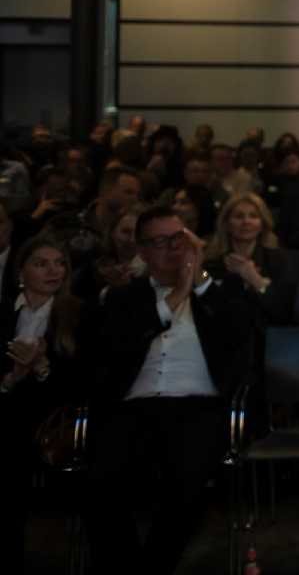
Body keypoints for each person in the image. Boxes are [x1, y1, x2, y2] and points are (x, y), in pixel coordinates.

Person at [86, 206, 252, 574]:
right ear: (142, 251)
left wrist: (199, 283)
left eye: (179, 237)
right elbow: (115, 345)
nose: (174, 247)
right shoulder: (125, 296)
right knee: (100, 477)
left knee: (190, 474)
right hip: (135, 408)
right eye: (161, 242)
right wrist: (175, 297)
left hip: (198, 407)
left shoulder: (220, 287)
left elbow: (239, 331)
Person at [1, 237, 84, 570]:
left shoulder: (79, 314)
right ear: (21, 273)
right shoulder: (4, 313)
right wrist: (11, 379)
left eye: (60, 263)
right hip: (8, 405)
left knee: (9, 430)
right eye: (42, 263)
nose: (54, 270)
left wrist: (41, 367)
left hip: (52, 414)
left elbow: (82, 384)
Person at [205, 192, 296, 329]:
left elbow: (285, 313)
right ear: (226, 224)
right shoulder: (210, 266)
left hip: (268, 337)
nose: (246, 221)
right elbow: (208, 309)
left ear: (262, 224)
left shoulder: (279, 261)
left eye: (253, 216)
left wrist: (255, 280)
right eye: (238, 216)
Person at [44, 165, 144, 270]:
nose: (135, 199)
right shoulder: (62, 224)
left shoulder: (135, 233)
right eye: (129, 192)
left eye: (137, 194)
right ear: (105, 190)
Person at [78, 203, 148, 304]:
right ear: (112, 232)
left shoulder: (157, 273)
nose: (132, 239)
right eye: (125, 232)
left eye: (138, 233)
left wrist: (127, 288)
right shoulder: (92, 266)